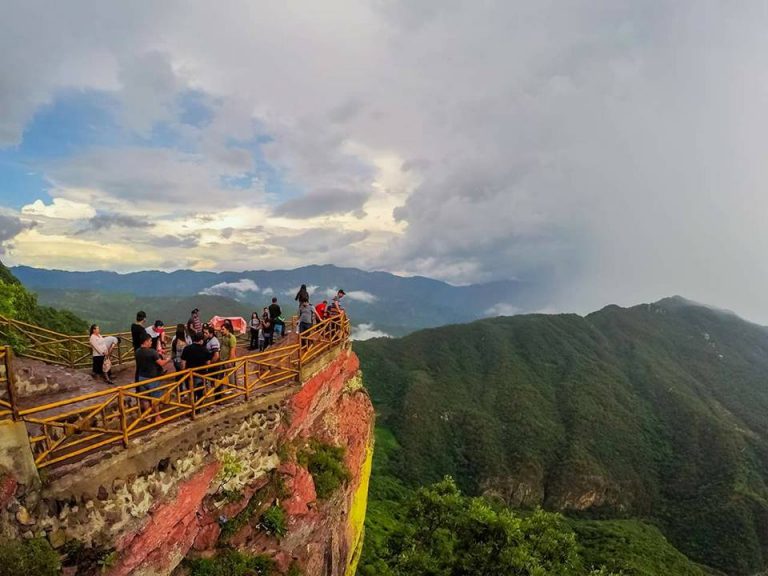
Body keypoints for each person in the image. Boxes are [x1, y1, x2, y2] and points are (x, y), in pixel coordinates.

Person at [135, 333, 173, 418]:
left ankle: (148, 416)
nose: (151, 342)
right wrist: (168, 359)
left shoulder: (137, 351)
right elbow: (161, 363)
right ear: (146, 341)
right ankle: (157, 416)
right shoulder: (152, 352)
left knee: (144, 398)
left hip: (141, 377)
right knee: (155, 398)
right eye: (150, 340)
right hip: (152, 378)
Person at [181, 331, 210, 401]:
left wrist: (184, 372)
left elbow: (183, 363)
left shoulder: (186, 348)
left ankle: (192, 405)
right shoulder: (205, 350)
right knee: (199, 393)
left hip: (189, 374)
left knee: (191, 391)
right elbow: (208, 363)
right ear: (201, 340)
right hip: (200, 375)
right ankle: (198, 408)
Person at [131, 311, 148, 381]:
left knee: (139, 367)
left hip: (136, 348)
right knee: (143, 367)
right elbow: (144, 340)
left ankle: (138, 384)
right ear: (144, 319)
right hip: (142, 350)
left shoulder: (133, 326)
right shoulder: (141, 329)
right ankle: (140, 384)